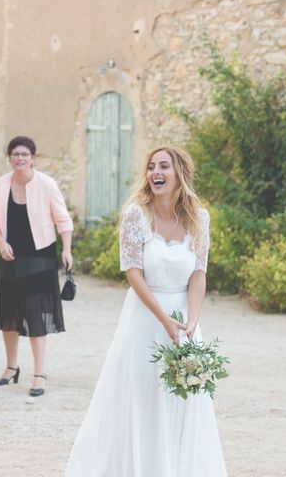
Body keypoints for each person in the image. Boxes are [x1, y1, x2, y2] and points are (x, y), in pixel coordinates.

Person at [65, 146, 226, 476]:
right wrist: (163, 318)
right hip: (145, 320)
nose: (156, 172)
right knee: (144, 396)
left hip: (183, 322)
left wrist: (192, 320)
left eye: (164, 166)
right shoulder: (136, 215)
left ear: (179, 173)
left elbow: (198, 272)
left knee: (184, 397)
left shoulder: (199, 217)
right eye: (151, 166)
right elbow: (133, 272)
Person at [0, 136, 73, 397]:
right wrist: (1, 243)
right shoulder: (1, 184)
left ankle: (39, 374)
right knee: (9, 314)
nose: (20, 158)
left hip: (40, 256)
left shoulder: (46, 184)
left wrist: (67, 250)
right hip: (10, 257)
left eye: (24, 154)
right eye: (15, 154)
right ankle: (11, 367)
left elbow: (63, 219)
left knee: (36, 314)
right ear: (9, 157)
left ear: (32, 157)